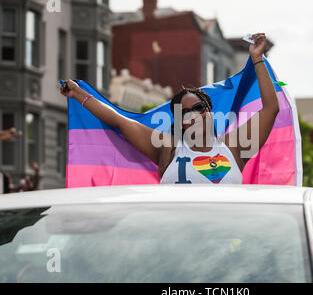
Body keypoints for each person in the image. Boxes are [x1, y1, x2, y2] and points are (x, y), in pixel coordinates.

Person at [60, 33, 279, 184]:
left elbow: (271, 108)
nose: (194, 115)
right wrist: (78, 94)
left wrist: (257, 58)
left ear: (210, 112)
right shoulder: (168, 148)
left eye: (199, 107)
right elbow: (119, 120)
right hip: (177, 247)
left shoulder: (235, 147)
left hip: (225, 245)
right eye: (185, 113)